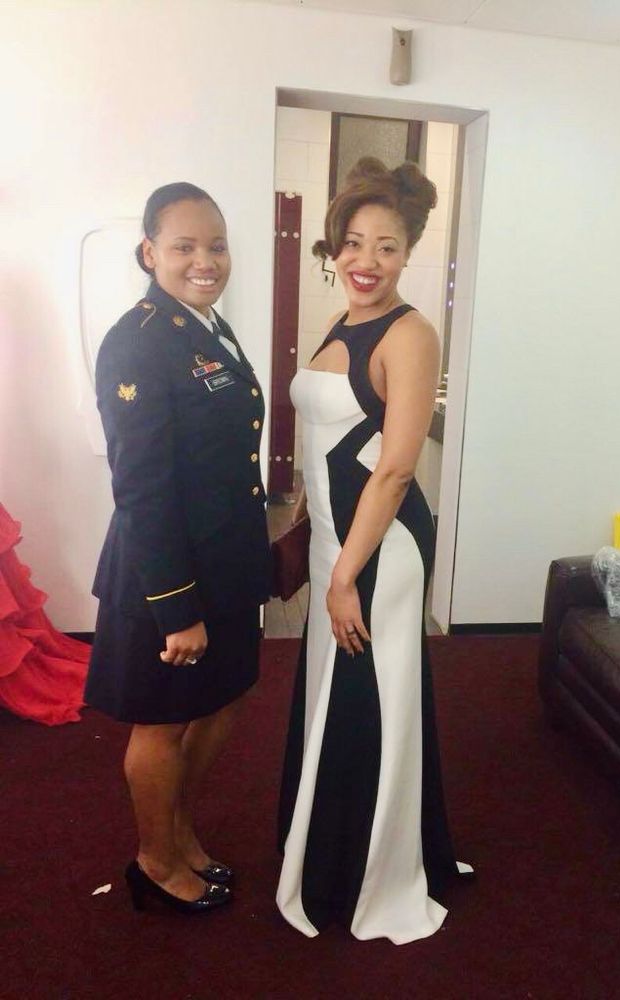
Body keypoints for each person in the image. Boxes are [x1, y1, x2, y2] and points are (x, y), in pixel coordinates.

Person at [276, 158, 471, 945]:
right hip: (338, 540)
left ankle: (372, 870)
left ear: (409, 252)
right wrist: (307, 523)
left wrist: (345, 576)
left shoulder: (411, 334)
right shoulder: (341, 318)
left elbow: (394, 469)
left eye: (387, 247)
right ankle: (333, 850)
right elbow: (330, 439)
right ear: (334, 247)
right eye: (354, 243)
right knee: (338, 696)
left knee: (369, 700)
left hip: (379, 550)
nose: (367, 261)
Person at [85, 182, 271, 913]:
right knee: (162, 723)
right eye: (185, 246)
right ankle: (156, 862)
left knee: (220, 702)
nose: (206, 260)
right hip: (166, 574)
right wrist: (176, 609)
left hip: (223, 565)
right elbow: (141, 487)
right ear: (149, 252)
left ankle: (180, 829)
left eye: (216, 246)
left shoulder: (206, 325)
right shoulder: (137, 340)